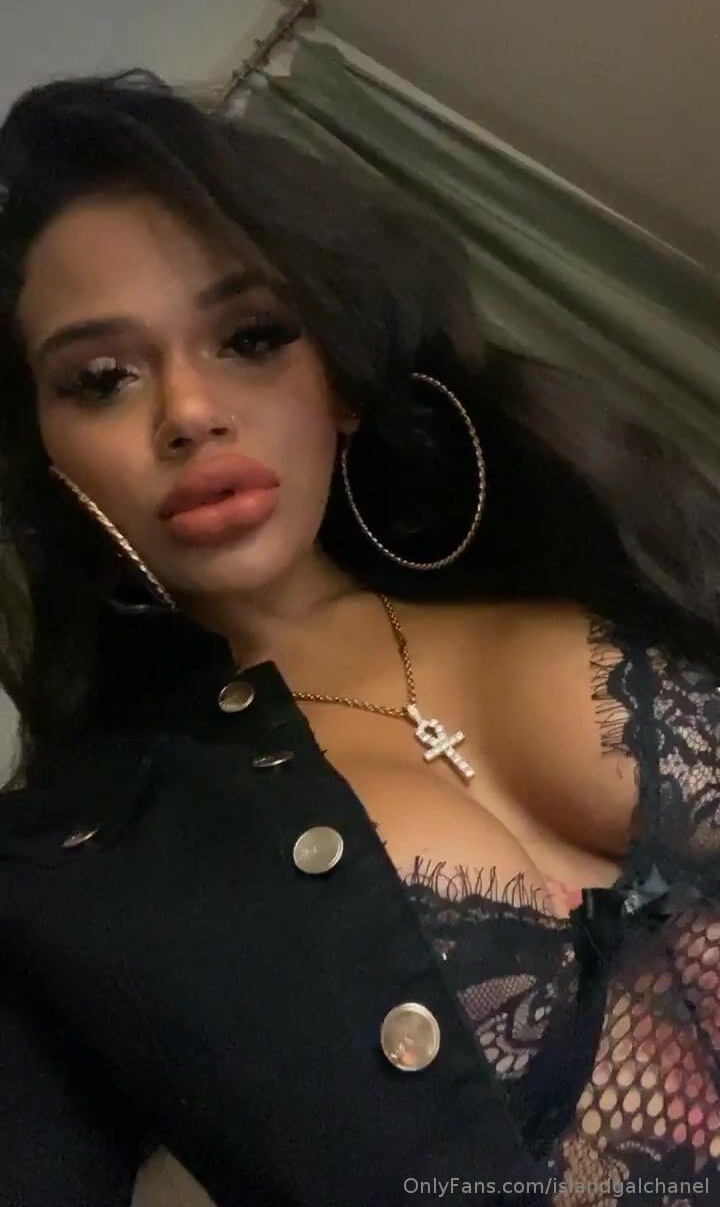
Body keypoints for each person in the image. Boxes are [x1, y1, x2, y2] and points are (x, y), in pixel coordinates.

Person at [0, 70, 718, 1207]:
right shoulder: (73, 869)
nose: (189, 411)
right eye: (101, 378)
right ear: (49, 460)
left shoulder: (587, 543)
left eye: (249, 336)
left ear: (334, 376)